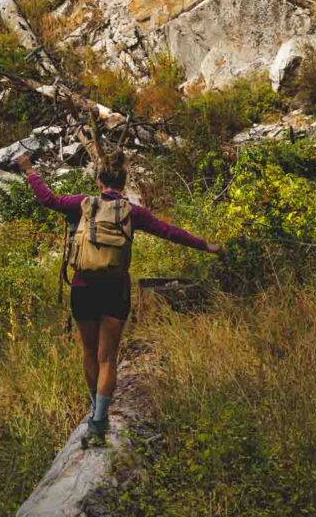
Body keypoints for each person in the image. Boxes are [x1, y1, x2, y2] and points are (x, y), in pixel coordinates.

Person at [14, 149, 220, 448]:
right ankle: (99, 420)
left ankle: (94, 411)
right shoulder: (132, 212)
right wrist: (206, 246)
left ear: (99, 181)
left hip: (84, 287)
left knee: (88, 351)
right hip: (115, 289)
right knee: (107, 356)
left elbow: (49, 200)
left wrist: (29, 169)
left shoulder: (81, 205)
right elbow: (170, 232)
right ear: (123, 183)